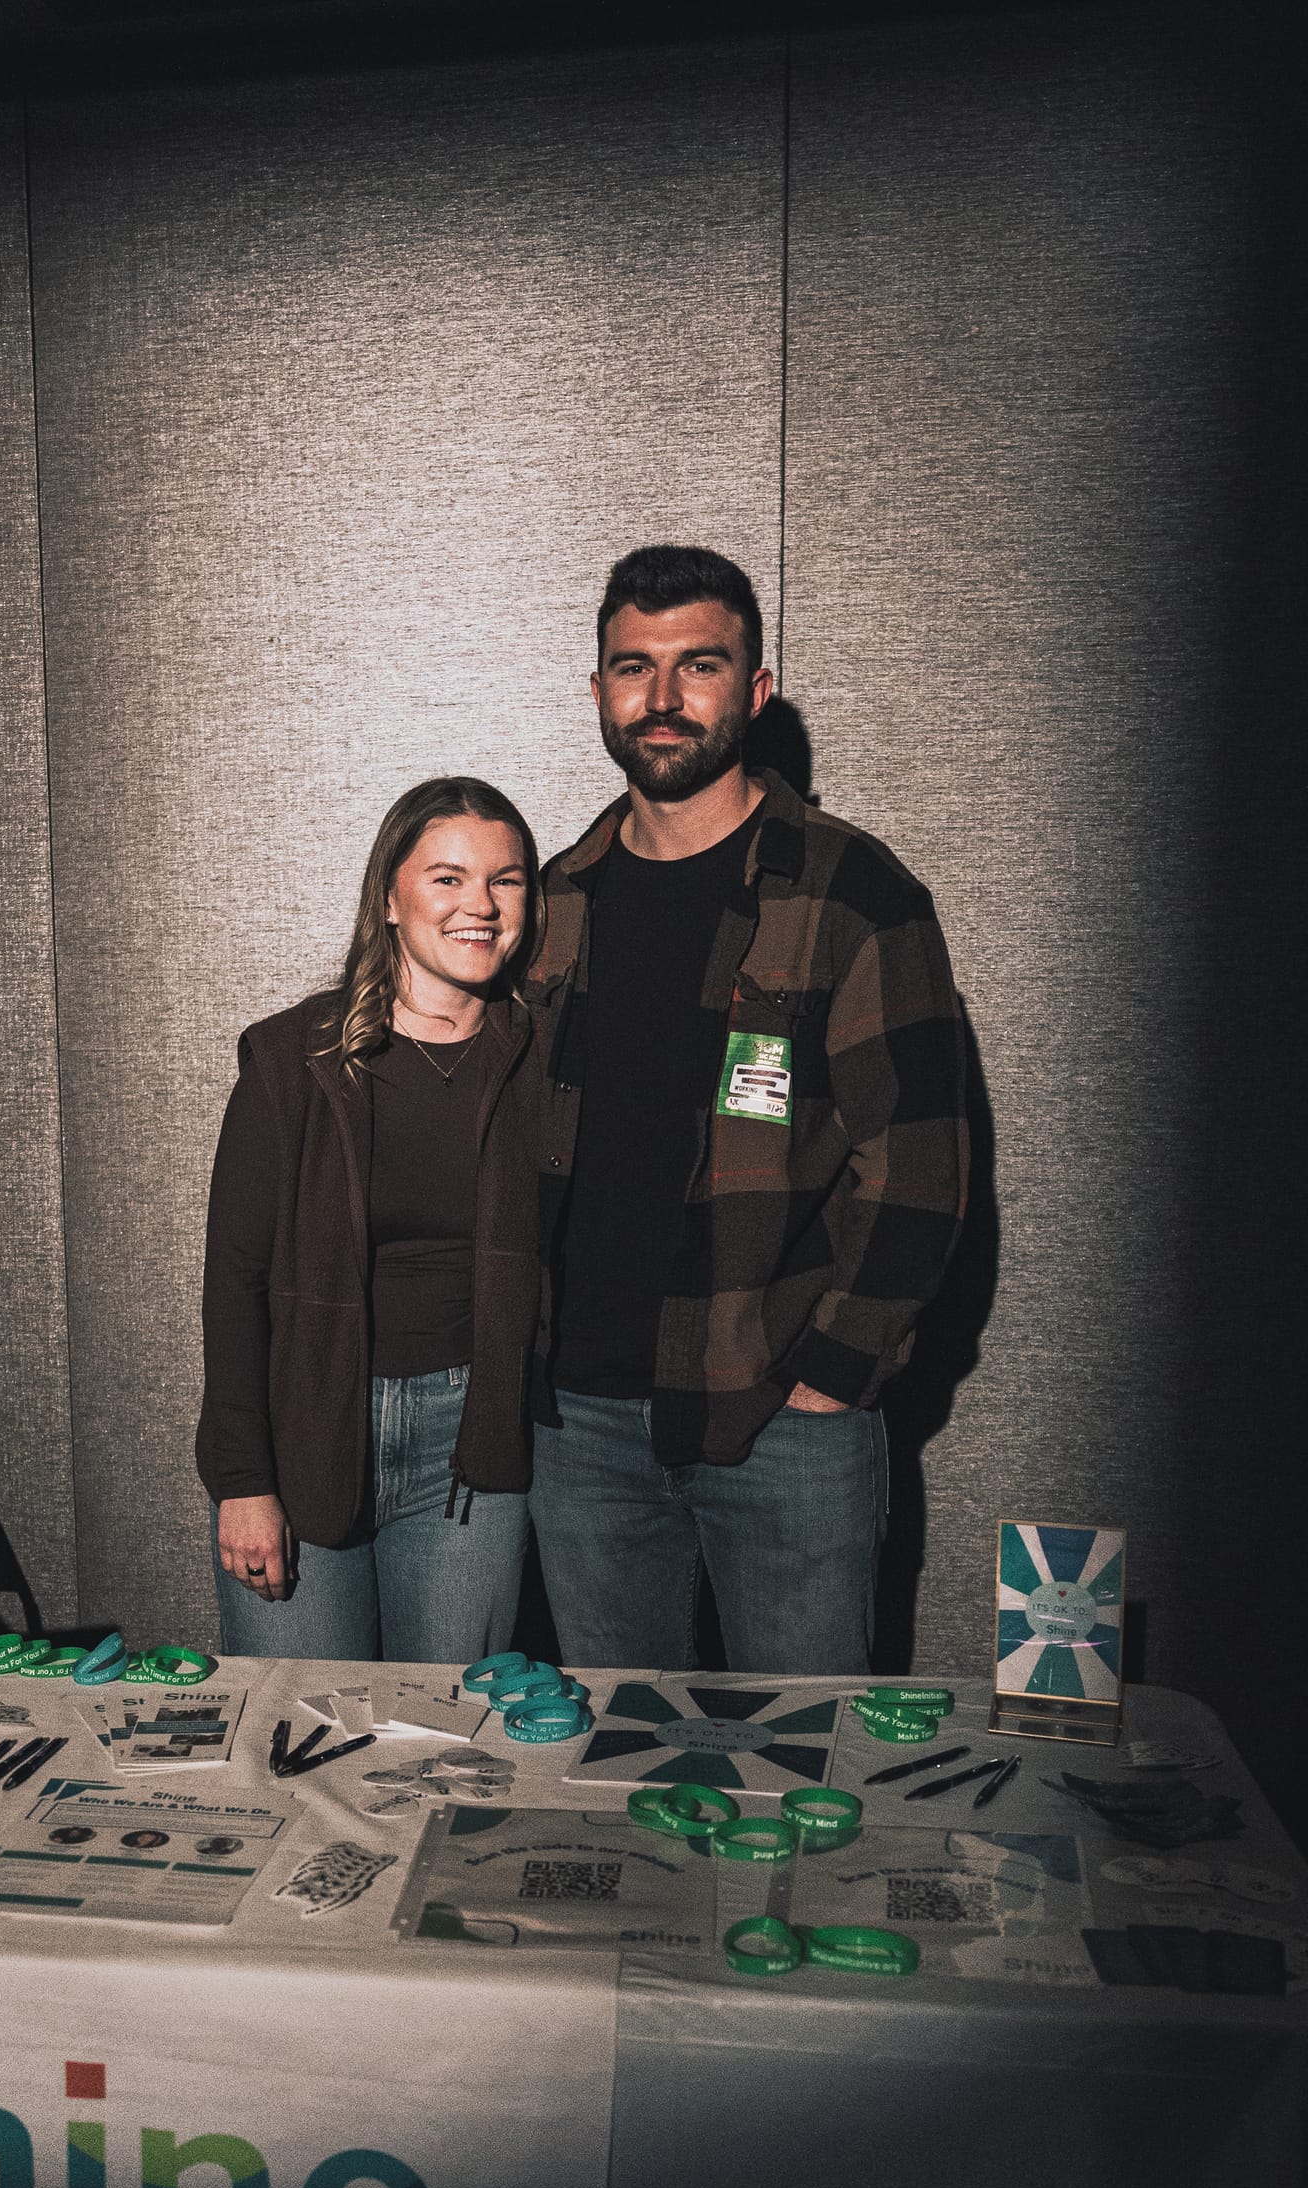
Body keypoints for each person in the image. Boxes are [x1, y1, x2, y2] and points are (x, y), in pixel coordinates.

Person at [525, 545, 969, 1672]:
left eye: (700, 665)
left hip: (776, 1418)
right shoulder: (555, 900)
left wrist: (832, 1377)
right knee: (619, 1753)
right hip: (578, 1427)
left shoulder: (851, 892)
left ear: (755, 691)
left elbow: (920, 1166)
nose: (662, 698)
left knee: (804, 1753)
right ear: (596, 691)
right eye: (634, 667)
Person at [197, 778, 546, 1662]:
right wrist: (243, 1481)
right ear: (390, 899)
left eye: (505, 880)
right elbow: (234, 1285)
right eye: (447, 878)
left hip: (471, 1450)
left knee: (449, 1726)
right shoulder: (295, 1060)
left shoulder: (543, 1056)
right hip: (308, 1431)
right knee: (304, 1724)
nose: (480, 905)